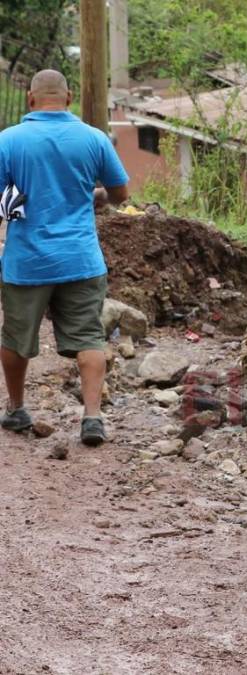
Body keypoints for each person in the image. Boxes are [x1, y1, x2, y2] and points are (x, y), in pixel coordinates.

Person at [0, 69, 129, 446]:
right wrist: (97, 195)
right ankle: (92, 418)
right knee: (89, 336)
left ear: (30, 99)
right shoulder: (93, 138)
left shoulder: (8, 140)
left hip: (27, 261)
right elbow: (120, 193)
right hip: (81, 258)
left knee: (15, 337)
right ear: (69, 97)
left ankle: (17, 408)